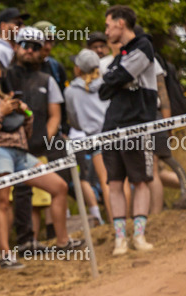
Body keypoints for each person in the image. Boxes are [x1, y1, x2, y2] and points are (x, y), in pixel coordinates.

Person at [0, 57, 71, 267]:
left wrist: (25, 112)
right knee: (2, 201)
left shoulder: (3, 99)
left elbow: (26, 130)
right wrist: (1, 114)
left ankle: (63, 241)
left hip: (21, 151)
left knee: (59, 186)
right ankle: (5, 255)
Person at [7, 26, 77, 254]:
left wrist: (45, 138)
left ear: (42, 51)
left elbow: (55, 113)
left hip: (45, 142)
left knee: (60, 186)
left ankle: (61, 240)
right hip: (15, 147)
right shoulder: (3, 76)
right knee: (20, 195)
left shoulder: (47, 79)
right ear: (16, 46)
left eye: (35, 47)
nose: (30, 50)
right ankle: (25, 243)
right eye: (25, 45)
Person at [100, 5, 163, 254]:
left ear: (120, 23)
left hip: (137, 124)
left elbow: (120, 76)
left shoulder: (144, 46)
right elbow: (105, 88)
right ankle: (120, 239)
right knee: (114, 183)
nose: (106, 31)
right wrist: (115, 76)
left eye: (108, 25)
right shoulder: (120, 55)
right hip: (111, 125)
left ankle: (139, 236)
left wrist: (116, 76)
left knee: (141, 181)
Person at [65, 49, 111, 226]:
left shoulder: (71, 92)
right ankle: (127, 220)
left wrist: (82, 126)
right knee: (121, 181)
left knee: (106, 182)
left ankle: (116, 224)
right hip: (114, 133)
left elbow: (74, 120)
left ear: (78, 69)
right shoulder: (108, 83)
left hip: (94, 139)